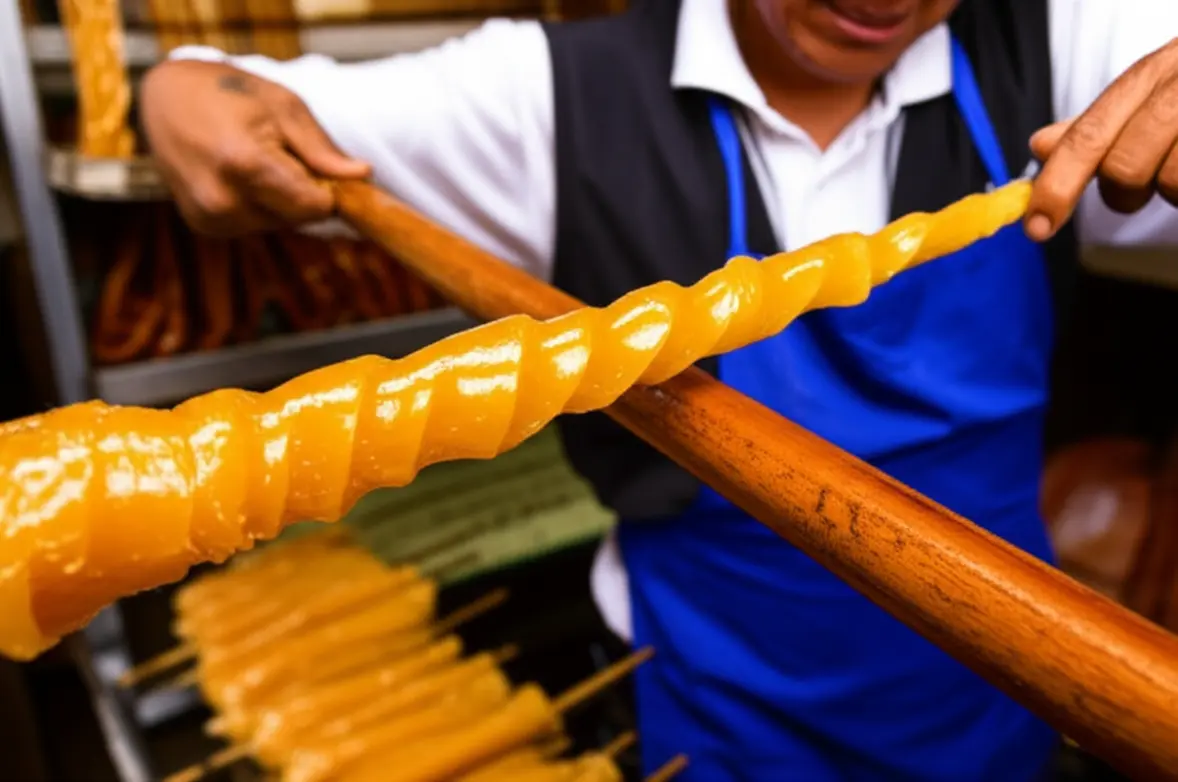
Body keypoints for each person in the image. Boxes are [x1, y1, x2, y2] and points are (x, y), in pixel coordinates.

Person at [140, 1, 1178, 779]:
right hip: (709, 709)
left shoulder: (1071, 45)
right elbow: (207, 89)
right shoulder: (554, 96)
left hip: (999, 696)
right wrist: (178, 99)